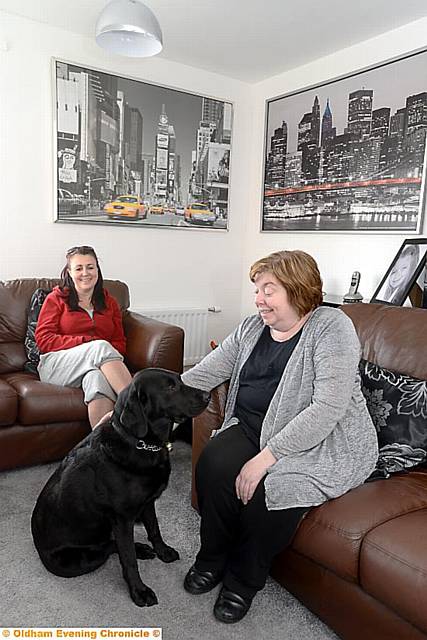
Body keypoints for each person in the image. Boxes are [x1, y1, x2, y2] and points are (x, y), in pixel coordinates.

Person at [181, 250, 378, 624]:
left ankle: (242, 581)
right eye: (258, 289)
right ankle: (212, 557)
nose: (258, 299)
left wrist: (265, 458)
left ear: (297, 289)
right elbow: (204, 373)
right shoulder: (251, 328)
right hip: (255, 424)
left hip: (323, 439)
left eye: (268, 290)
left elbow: (327, 409)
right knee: (214, 464)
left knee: (273, 490)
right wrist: (143, 400)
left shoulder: (331, 326)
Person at [35, 245, 132, 428]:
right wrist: (88, 343)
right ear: (69, 273)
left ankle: (103, 447)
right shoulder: (56, 299)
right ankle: (136, 404)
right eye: (78, 268)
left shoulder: (109, 302)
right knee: (100, 346)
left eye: (90, 267)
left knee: (96, 380)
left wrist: (100, 356)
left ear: (97, 270)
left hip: (95, 364)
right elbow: (44, 340)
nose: (85, 273)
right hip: (56, 365)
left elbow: (119, 343)